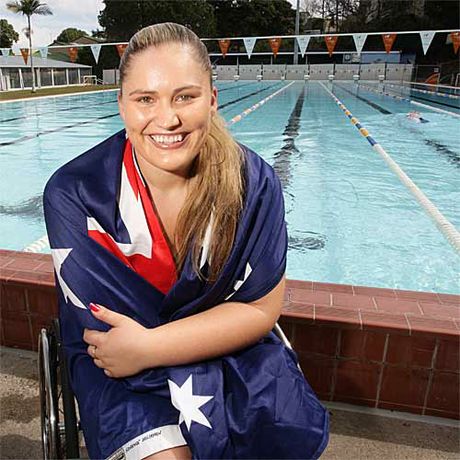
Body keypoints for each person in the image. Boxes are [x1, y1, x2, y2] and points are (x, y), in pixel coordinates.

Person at [43, 23, 329, 460]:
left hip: (224, 348)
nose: (168, 119)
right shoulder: (77, 192)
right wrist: (150, 348)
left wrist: (153, 346)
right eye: (145, 99)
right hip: (120, 366)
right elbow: (112, 342)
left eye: (185, 96)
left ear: (212, 99)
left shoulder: (253, 184)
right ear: (121, 105)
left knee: (275, 430)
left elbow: (260, 310)